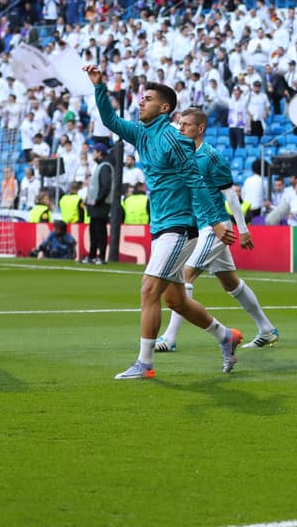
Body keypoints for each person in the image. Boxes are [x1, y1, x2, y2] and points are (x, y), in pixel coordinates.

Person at [85, 66, 243, 380]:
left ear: (164, 107)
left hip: (180, 227)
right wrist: (100, 87)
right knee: (177, 300)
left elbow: (195, 180)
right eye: (141, 99)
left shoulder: (172, 138)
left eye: (147, 99)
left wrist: (215, 221)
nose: (140, 103)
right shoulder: (143, 133)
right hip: (162, 227)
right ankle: (227, 336)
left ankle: (145, 364)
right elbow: (110, 121)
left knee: (148, 290)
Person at [155, 109, 274, 352]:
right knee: (230, 282)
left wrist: (242, 229)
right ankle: (267, 329)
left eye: (186, 125)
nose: (181, 128)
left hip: (215, 227)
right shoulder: (183, 155)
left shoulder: (211, 156)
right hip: (198, 226)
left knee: (184, 276)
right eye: (179, 124)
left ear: (200, 129)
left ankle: (169, 337)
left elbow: (230, 194)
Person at [84, 143, 114, 264]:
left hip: (100, 204)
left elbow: (105, 186)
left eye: (94, 151)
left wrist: (98, 199)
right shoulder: (101, 166)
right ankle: (92, 256)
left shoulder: (105, 166)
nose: (93, 154)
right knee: (94, 230)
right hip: (95, 204)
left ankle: (100, 256)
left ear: (99, 153)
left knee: (100, 231)